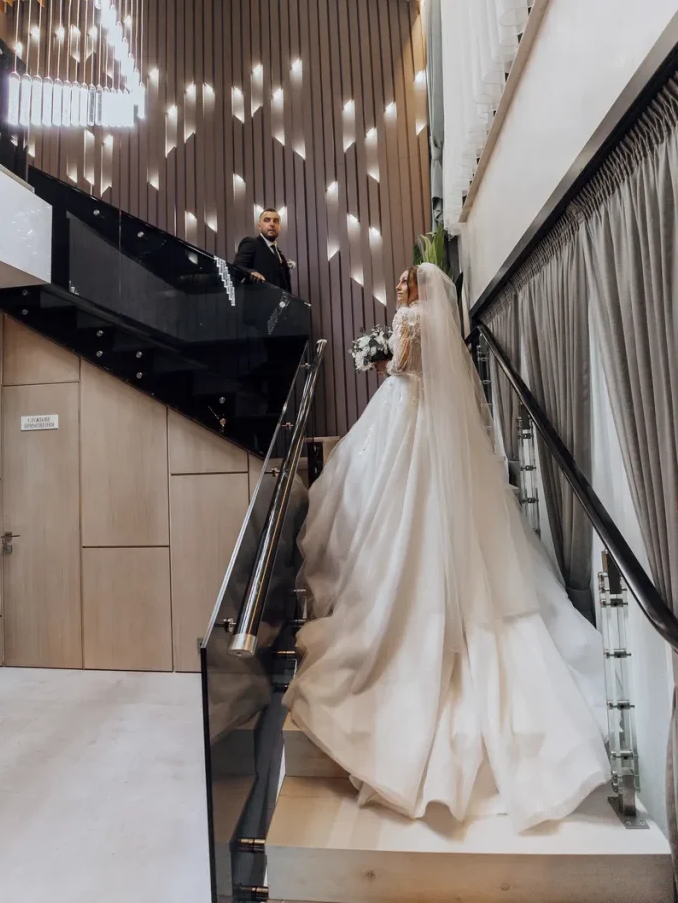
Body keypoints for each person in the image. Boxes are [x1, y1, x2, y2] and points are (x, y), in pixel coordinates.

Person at [284, 263, 609, 832]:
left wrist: (382, 354)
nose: (403, 287)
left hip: (405, 407)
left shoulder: (409, 318)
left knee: (390, 494)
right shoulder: (432, 322)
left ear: (417, 290)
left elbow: (405, 366)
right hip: (423, 415)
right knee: (404, 494)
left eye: (407, 282)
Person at [233, 208, 292, 292]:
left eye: (275, 221)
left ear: (280, 227)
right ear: (259, 226)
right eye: (267, 220)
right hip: (258, 302)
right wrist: (250, 272)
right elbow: (236, 267)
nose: (272, 224)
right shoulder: (251, 243)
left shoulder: (280, 255)